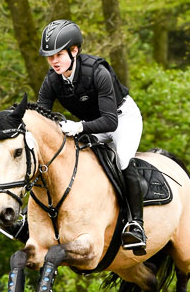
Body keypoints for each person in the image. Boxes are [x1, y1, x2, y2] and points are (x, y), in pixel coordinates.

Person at [36, 19, 147, 255]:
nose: (53, 61)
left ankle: (137, 223)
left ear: (74, 50)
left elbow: (110, 122)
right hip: (89, 125)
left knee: (122, 160)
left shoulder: (98, 72)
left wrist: (78, 127)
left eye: (58, 55)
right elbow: (41, 116)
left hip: (121, 119)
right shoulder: (52, 80)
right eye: (49, 56)